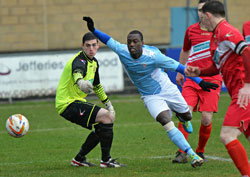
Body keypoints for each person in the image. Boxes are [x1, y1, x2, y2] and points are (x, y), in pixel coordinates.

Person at [83, 16, 219, 168]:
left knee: (187, 115)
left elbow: (180, 68)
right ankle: (192, 154)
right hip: (150, 96)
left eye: (135, 41)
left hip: (166, 88)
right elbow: (108, 39)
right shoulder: (122, 51)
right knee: (165, 121)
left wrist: (200, 81)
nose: (131, 45)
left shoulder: (154, 56)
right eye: (129, 42)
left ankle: (184, 118)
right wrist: (93, 30)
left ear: (142, 43)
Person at [185, 1, 250, 176]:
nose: (200, 21)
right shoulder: (215, 35)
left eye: (202, 16)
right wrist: (200, 71)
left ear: (208, 15)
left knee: (227, 135)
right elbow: (217, 66)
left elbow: (247, 52)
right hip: (239, 93)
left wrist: (248, 85)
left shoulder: (226, 31)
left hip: (243, 95)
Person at [55, 32, 125, 168]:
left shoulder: (94, 63)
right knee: (107, 118)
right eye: (88, 46)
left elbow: (97, 86)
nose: (91, 49)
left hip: (75, 102)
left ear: (98, 46)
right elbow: (77, 72)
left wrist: (108, 104)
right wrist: (80, 81)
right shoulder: (79, 60)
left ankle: (79, 159)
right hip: (67, 103)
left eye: (94, 45)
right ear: (82, 46)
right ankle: (106, 160)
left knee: (102, 126)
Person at [173, 0, 222, 163]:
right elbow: (185, 50)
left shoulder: (219, 31)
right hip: (192, 80)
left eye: (204, 10)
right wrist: (180, 71)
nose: (201, 13)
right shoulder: (191, 30)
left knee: (206, 119)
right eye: (199, 9)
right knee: (184, 113)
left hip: (212, 80)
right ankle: (182, 152)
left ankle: (200, 151)